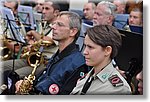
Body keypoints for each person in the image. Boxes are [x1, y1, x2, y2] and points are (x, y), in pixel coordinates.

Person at [14, 11, 89, 95]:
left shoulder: (78, 64)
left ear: (73, 31)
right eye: (54, 24)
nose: (53, 27)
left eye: (59, 25)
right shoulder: (59, 54)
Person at [0, 0, 60, 78]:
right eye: (43, 8)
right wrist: (30, 43)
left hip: (44, 62)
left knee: (15, 75)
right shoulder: (43, 24)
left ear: (56, 12)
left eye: (47, 9)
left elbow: (46, 40)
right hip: (32, 58)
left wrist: (33, 33)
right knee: (2, 66)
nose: (43, 11)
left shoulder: (58, 26)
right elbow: (36, 40)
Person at [71, 25, 131, 95]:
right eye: (85, 46)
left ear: (107, 50)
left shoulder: (118, 89)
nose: (85, 52)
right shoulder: (87, 77)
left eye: (90, 47)